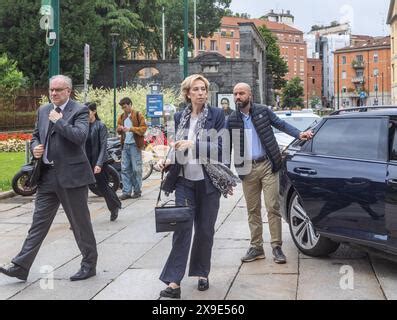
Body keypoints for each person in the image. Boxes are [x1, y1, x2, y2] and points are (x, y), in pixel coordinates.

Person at [0, 75, 98, 281]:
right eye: (51, 89)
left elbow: (79, 137)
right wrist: (35, 146)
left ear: (68, 91)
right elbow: (37, 134)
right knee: (38, 224)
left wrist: (59, 121)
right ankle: (21, 265)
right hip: (47, 176)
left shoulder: (79, 110)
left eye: (58, 90)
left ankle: (89, 264)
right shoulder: (43, 110)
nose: (53, 93)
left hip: (72, 177)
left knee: (80, 224)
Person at [156, 74, 239, 299]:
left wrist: (194, 143)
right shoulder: (178, 116)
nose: (201, 92)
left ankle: (202, 272)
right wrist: (166, 159)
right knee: (181, 230)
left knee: (204, 230)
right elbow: (174, 146)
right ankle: (174, 282)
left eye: (204, 89)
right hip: (184, 181)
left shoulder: (217, 115)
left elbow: (221, 147)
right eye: (196, 89)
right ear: (188, 93)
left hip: (209, 182)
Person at [226, 83, 313, 265]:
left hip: (267, 164)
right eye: (235, 94)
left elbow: (281, 125)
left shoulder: (263, 111)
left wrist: (300, 134)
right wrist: (225, 174)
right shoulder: (232, 119)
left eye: (241, 93)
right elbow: (227, 147)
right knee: (253, 210)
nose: (237, 97)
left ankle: (276, 246)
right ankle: (256, 247)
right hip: (247, 170)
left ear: (250, 95)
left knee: (272, 207)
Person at [85, 102, 121, 221]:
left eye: (88, 112)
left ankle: (114, 206)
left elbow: (103, 146)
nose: (85, 114)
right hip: (85, 162)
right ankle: (80, 218)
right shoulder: (83, 126)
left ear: (94, 111)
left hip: (98, 162)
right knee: (81, 189)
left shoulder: (100, 126)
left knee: (103, 186)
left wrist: (99, 164)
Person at [116, 97, 148, 200]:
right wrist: (120, 129)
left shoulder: (138, 115)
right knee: (125, 169)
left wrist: (130, 129)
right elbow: (119, 130)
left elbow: (143, 129)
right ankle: (126, 192)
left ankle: (137, 191)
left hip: (135, 145)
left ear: (130, 105)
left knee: (136, 169)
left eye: (125, 107)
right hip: (125, 145)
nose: (124, 109)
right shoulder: (122, 117)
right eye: (122, 107)